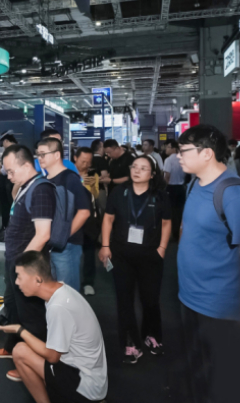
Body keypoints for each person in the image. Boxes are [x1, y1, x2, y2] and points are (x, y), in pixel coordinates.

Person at [177, 125, 240, 403]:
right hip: (189, 297)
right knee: (197, 374)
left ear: (207, 154)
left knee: (221, 383)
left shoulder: (233, 194)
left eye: (184, 151)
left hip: (219, 307)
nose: (178, 156)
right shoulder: (194, 184)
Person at [0, 251, 108, 403]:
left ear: (37, 279)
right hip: (91, 378)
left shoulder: (58, 307)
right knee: (29, 346)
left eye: (19, 276)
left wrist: (19, 330)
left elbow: (52, 357)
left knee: (20, 351)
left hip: (87, 388)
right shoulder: (61, 290)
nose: (16, 282)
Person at [0, 145, 55, 383]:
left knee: (31, 314)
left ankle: (31, 363)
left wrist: (22, 268)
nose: (8, 176)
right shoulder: (27, 186)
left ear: (27, 165)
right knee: (13, 305)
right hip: (15, 260)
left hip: (27, 264)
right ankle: (14, 349)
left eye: (11, 171)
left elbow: (43, 234)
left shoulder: (41, 190)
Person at [99, 155, 172, 365]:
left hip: (151, 255)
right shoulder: (118, 192)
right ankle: (130, 342)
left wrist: (162, 249)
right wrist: (105, 246)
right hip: (121, 255)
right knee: (124, 300)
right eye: (134, 167)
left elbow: (167, 223)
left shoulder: (160, 196)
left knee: (150, 300)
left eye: (143, 168)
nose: (137, 171)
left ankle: (151, 335)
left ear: (153, 174)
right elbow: (108, 219)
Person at [37, 137, 91, 293]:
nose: (40, 158)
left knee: (68, 293)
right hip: (49, 245)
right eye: (38, 154)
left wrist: (64, 236)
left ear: (56, 155)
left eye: (43, 154)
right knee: (54, 292)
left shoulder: (70, 178)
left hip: (67, 246)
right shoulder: (44, 179)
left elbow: (84, 211)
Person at [74, 148, 101, 297]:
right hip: (72, 219)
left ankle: (88, 282)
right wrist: (80, 182)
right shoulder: (68, 174)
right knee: (71, 252)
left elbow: (95, 196)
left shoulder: (93, 175)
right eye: (83, 161)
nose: (86, 165)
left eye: (89, 162)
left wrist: (90, 186)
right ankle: (71, 282)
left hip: (89, 219)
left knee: (89, 252)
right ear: (75, 158)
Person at [0, 133, 18, 228]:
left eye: (2, 143)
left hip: (9, 184)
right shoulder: (19, 149)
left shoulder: (10, 151)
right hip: (12, 183)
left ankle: (8, 227)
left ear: (6, 141)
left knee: (8, 205)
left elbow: (5, 171)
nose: (2, 146)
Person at [163, 140, 186, 241]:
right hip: (181, 188)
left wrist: (164, 188)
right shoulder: (182, 159)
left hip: (171, 188)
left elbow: (167, 175)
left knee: (171, 212)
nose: (166, 149)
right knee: (180, 211)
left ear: (174, 148)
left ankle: (173, 233)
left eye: (168, 147)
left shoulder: (168, 160)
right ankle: (179, 233)